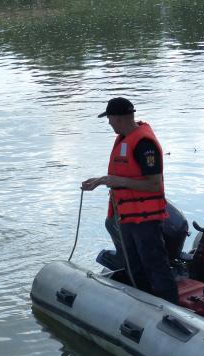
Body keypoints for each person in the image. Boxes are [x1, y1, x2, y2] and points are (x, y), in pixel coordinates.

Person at [82, 97, 178, 304]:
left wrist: (112, 180)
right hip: (127, 217)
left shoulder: (144, 144)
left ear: (119, 118)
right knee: (134, 265)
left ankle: (173, 309)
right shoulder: (125, 139)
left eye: (109, 118)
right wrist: (100, 181)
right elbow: (124, 177)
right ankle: (144, 306)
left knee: (155, 265)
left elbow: (154, 184)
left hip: (146, 219)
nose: (108, 123)